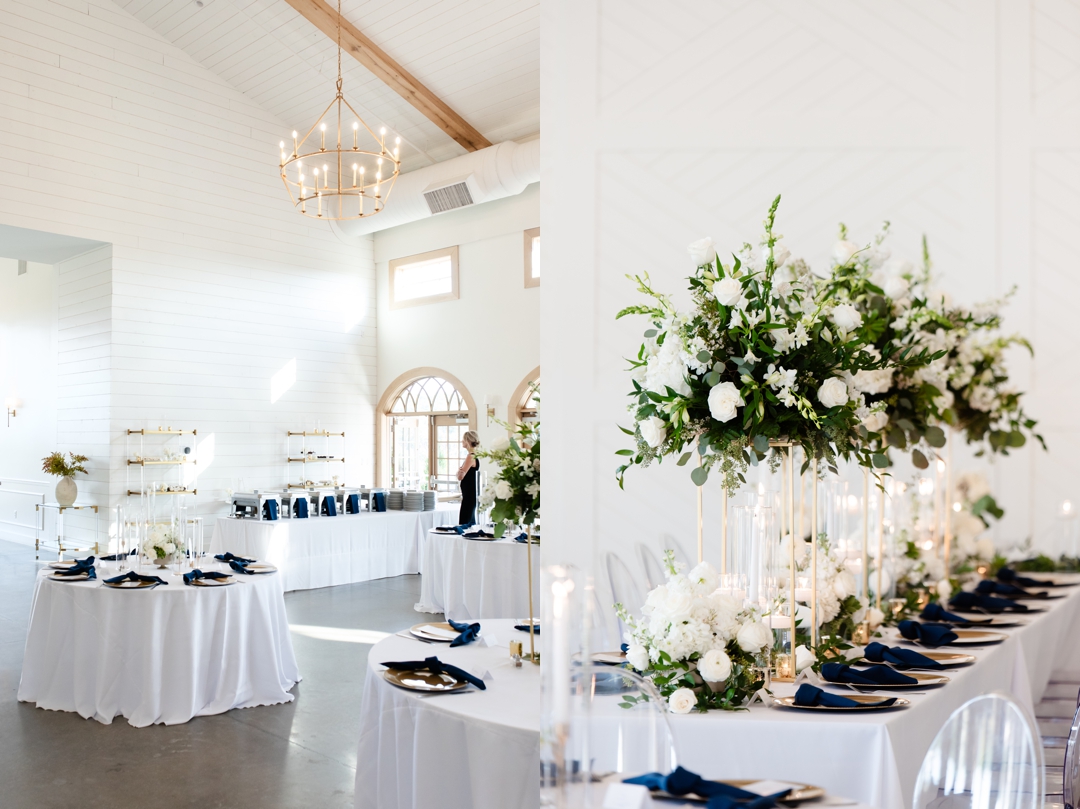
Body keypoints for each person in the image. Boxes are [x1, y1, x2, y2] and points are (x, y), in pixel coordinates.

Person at [456, 431, 480, 526]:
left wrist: (459, 472)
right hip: (469, 494)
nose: (462, 441)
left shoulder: (471, 456)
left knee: (465, 520)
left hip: (470, 494)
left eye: (464, 439)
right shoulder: (472, 456)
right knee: (468, 519)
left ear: (468, 441)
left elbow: (460, 476)